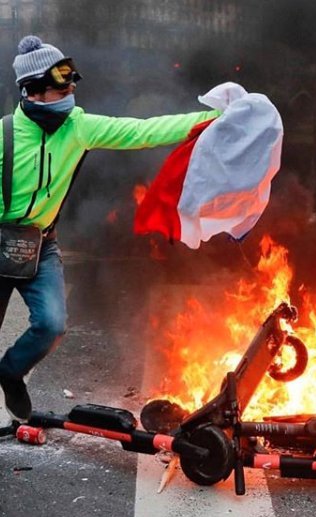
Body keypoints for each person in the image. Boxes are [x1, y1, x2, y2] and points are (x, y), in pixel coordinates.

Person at [0, 36, 220, 420]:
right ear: (32, 92)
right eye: (62, 88)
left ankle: (10, 372)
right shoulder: (4, 136)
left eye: (72, 86)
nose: (71, 94)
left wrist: (215, 119)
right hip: (1, 240)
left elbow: (144, 131)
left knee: (52, 324)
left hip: (42, 244)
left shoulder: (78, 127)